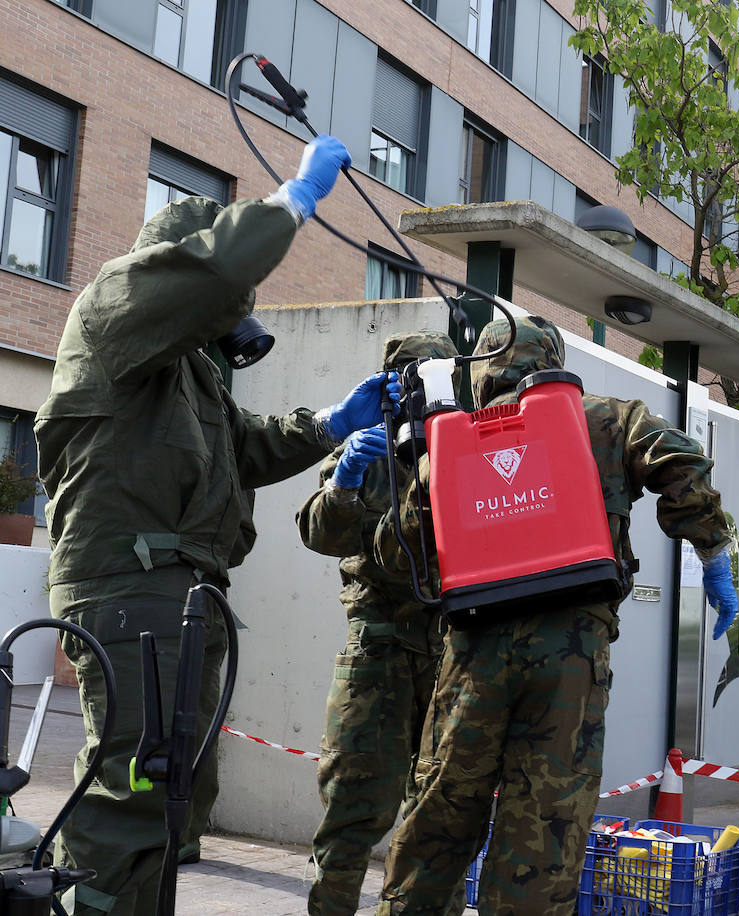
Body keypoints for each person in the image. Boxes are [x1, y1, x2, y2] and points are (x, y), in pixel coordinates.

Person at [35, 135, 400, 916]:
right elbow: (215, 271)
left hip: (184, 598)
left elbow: (244, 447)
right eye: (221, 306)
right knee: (130, 790)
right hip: (127, 588)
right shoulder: (113, 306)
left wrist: (331, 424)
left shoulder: (191, 370)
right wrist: (290, 202)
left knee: (176, 800)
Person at [372, 316, 737, 915]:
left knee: (440, 815)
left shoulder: (451, 438)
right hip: (572, 655)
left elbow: (398, 554)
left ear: (483, 370)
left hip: (473, 653)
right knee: (544, 827)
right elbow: (680, 462)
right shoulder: (609, 417)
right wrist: (711, 549)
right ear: (553, 361)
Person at [297, 331, 463, 916]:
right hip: (379, 646)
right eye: (408, 380)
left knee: (440, 809)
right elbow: (319, 534)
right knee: (353, 799)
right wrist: (343, 481)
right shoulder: (368, 449)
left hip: (450, 648)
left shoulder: (466, 447)